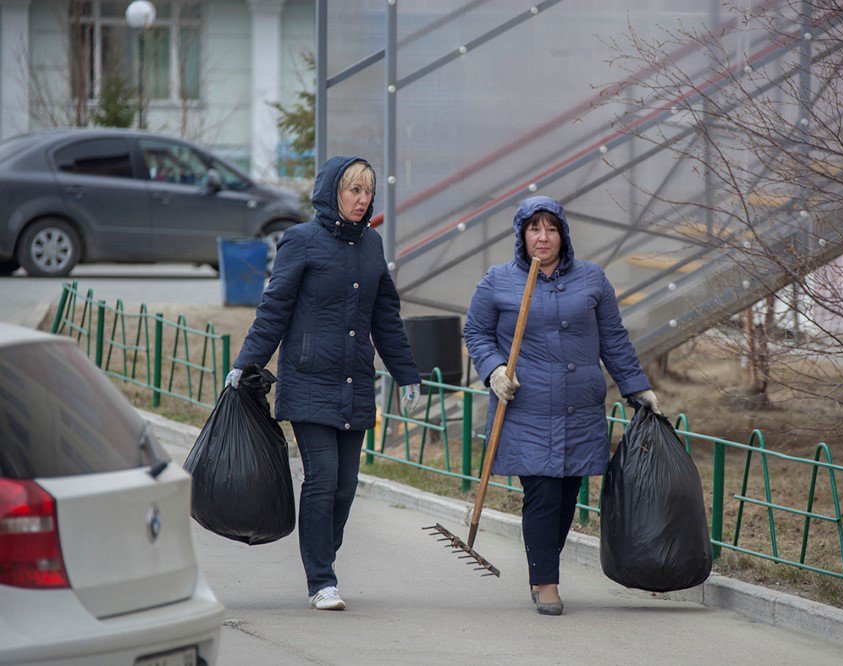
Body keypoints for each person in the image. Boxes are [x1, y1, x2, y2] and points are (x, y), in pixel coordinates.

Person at [225, 156, 422, 611]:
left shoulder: (371, 245)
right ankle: (321, 579)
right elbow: (273, 309)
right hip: (310, 379)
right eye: (354, 190)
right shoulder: (302, 241)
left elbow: (386, 318)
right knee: (323, 478)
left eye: (368, 191)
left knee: (346, 485)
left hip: (355, 383)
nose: (362, 199)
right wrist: (246, 363)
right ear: (333, 192)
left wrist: (407, 373)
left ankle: (323, 559)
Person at [464, 195, 660, 616]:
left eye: (551, 228)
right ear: (521, 234)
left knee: (568, 495)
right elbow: (476, 333)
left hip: (580, 407)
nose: (543, 236)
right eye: (534, 228)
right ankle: (546, 582)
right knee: (543, 493)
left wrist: (638, 389)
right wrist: (496, 369)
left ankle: (541, 564)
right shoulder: (498, 280)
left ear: (563, 234)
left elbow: (613, 339)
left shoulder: (592, 279)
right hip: (527, 408)